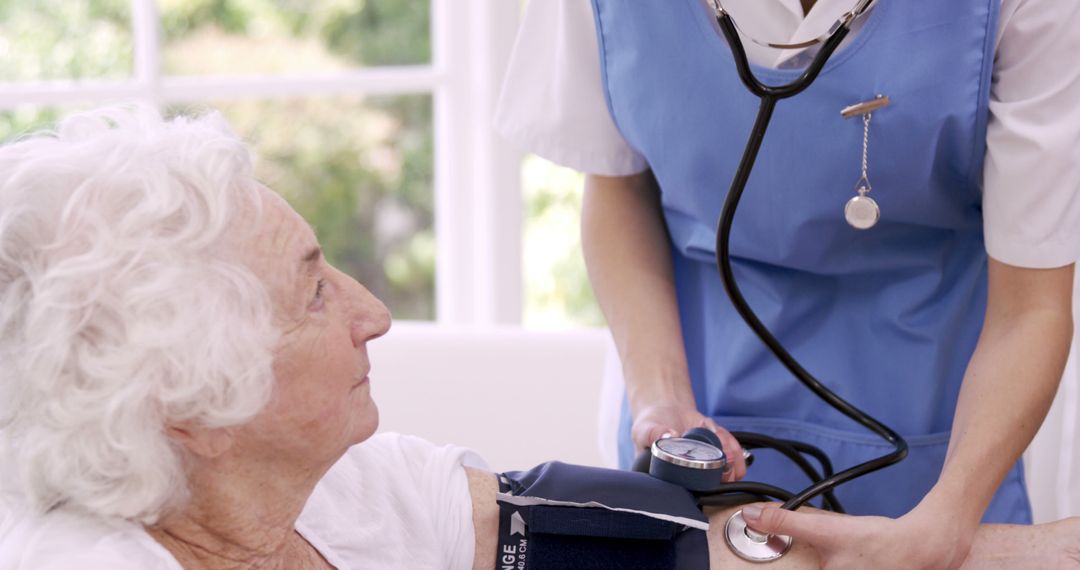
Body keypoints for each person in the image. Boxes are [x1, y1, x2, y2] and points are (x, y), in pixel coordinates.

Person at [1, 106, 1079, 569]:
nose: (375, 311)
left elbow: (670, 550)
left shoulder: (348, 491)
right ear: (195, 406)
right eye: (315, 293)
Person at [495, 0, 1080, 566]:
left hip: (945, 417)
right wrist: (661, 395)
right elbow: (618, 182)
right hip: (690, 389)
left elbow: (1032, 307)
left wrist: (947, 520)